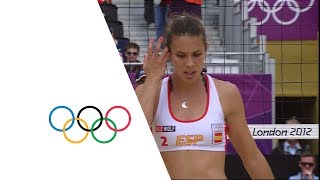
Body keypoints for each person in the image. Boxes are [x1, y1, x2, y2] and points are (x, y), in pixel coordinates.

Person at [135, 13, 274, 179]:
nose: (190, 63)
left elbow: (253, 159)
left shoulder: (226, 94)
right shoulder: (151, 92)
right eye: (181, 55)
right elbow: (132, 142)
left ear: (206, 50)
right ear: (168, 54)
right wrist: (152, 80)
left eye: (196, 54)